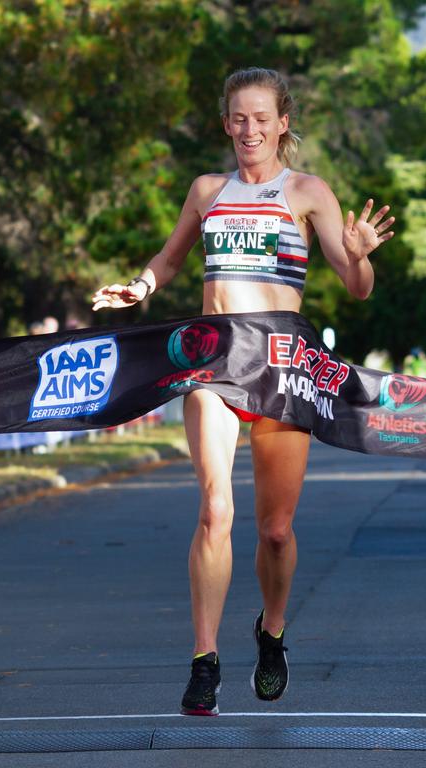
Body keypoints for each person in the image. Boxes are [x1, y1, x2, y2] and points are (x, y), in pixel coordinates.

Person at [91, 67, 394, 716]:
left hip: (281, 371)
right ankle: (204, 660)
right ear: (225, 123)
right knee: (213, 511)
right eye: (238, 118)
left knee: (277, 531)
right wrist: (138, 288)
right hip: (215, 364)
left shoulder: (309, 192)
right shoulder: (207, 190)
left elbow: (356, 286)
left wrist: (361, 253)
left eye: (262, 118)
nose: (249, 130)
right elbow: (170, 259)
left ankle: (272, 632)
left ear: (283, 123)